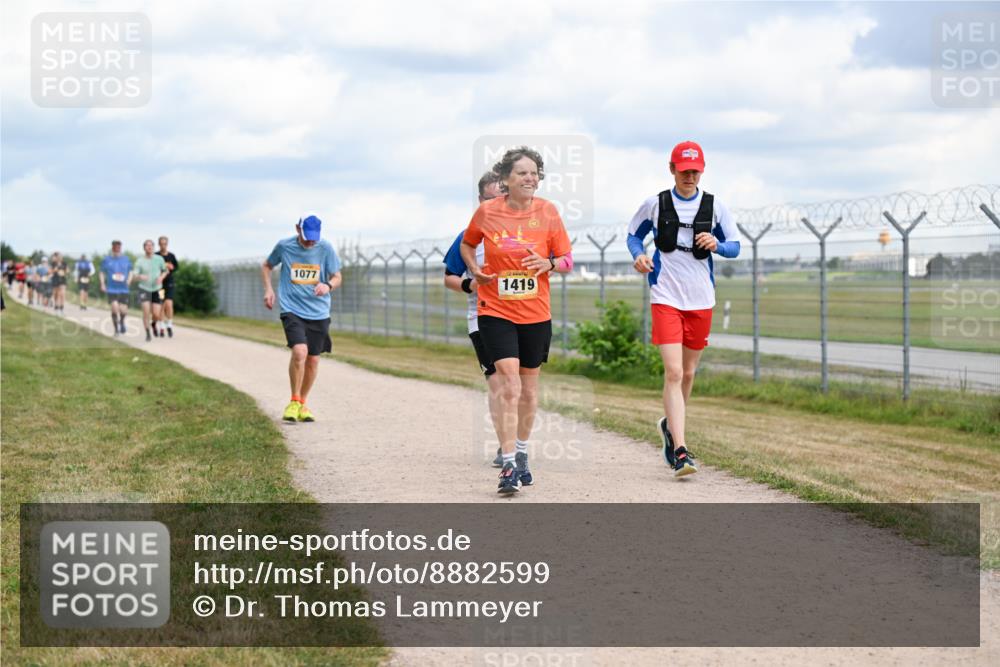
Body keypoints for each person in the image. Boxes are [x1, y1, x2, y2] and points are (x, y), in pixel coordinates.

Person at [460, 147, 573, 494]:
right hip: (495, 310)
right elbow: (468, 245)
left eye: (535, 172)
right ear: (506, 179)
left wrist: (549, 264)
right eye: (522, 172)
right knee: (509, 386)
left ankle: (522, 451)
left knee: (528, 389)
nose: (530, 177)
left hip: (536, 313)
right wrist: (476, 270)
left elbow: (567, 259)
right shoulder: (487, 212)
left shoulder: (549, 213)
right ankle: (508, 464)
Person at [626, 141, 740, 477]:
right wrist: (639, 256)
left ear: (701, 170)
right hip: (666, 295)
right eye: (684, 169)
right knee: (673, 373)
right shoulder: (656, 204)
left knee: (688, 374)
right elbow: (634, 235)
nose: (689, 175)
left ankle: (670, 427)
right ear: (672, 169)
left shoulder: (715, 207)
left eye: (695, 170)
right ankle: (680, 450)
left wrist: (717, 244)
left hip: (701, 298)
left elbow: (735, 246)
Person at [443, 171, 504, 467]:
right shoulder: (468, 237)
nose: (497, 205)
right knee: (498, 383)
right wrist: (471, 285)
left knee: (519, 384)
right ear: (481, 200)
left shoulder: (521, 234)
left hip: (519, 317)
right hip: (481, 318)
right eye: (491, 199)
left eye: (502, 198)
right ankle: (507, 447)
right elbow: (449, 278)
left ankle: (517, 441)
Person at [262, 215, 342, 423]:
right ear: (298, 229)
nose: (310, 242)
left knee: (313, 359)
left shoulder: (325, 248)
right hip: (292, 308)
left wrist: (328, 285)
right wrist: (269, 289)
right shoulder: (285, 246)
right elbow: (267, 265)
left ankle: (303, 403)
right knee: (300, 352)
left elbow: (337, 276)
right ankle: (294, 400)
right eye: (307, 237)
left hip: (319, 311)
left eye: (314, 238)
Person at [134, 240, 168, 342]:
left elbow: (166, 271)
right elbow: (135, 276)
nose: (149, 247)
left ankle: (153, 324)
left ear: (153, 247)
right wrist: (140, 276)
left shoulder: (159, 259)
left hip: (158, 289)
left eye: (151, 245)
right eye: (147, 246)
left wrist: (161, 277)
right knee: (146, 311)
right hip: (144, 288)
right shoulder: (139, 261)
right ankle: (148, 333)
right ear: (144, 248)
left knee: (156, 314)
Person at [100, 240, 133, 336]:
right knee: (114, 308)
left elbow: (131, 271)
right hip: (111, 288)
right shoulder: (107, 259)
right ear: (112, 248)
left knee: (123, 310)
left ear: (120, 248)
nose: (117, 248)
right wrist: (102, 283)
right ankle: (116, 330)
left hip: (124, 289)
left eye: (119, 247)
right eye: (115, 247)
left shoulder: (126, 259)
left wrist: (129, 280)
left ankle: (122, 322)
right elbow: (102, 272)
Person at [156, 236, 179, 337]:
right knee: (161, 305)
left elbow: (175, 267)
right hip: (159, 284)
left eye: (165, 244)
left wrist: (171, 267)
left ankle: (169, 325)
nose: (163, 245)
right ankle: (161, 326)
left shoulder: (171, 256)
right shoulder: (156, 256)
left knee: (169, 304)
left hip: (169, 283)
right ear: (159, 244)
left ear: (167, 244)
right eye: (161, 243)